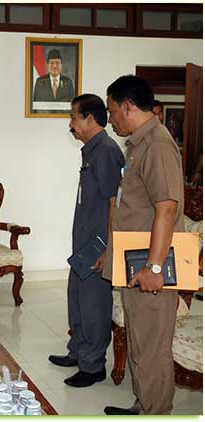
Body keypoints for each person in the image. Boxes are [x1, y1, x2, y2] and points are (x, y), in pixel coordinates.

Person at [102, 75, 185, 415]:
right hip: (133, 260)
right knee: (139, 341)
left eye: (111, 111)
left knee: (152, 347)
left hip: (150, 267)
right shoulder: (139, 144)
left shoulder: (158, 146)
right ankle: (144, 404)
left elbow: (167, 208)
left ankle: (156, 410)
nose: (110, 119)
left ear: (128, 106)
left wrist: (154, 268)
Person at [48, 94, 124, 388]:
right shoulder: (90, 149)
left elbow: (114, 202)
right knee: (77, 300)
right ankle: (77, 353)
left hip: (97, 246)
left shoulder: (105, 151)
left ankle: (93, 367)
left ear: (90, 119)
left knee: (93, 305)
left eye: (73, 117)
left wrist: (108, 248)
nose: (71, 124)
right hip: (83, 242)